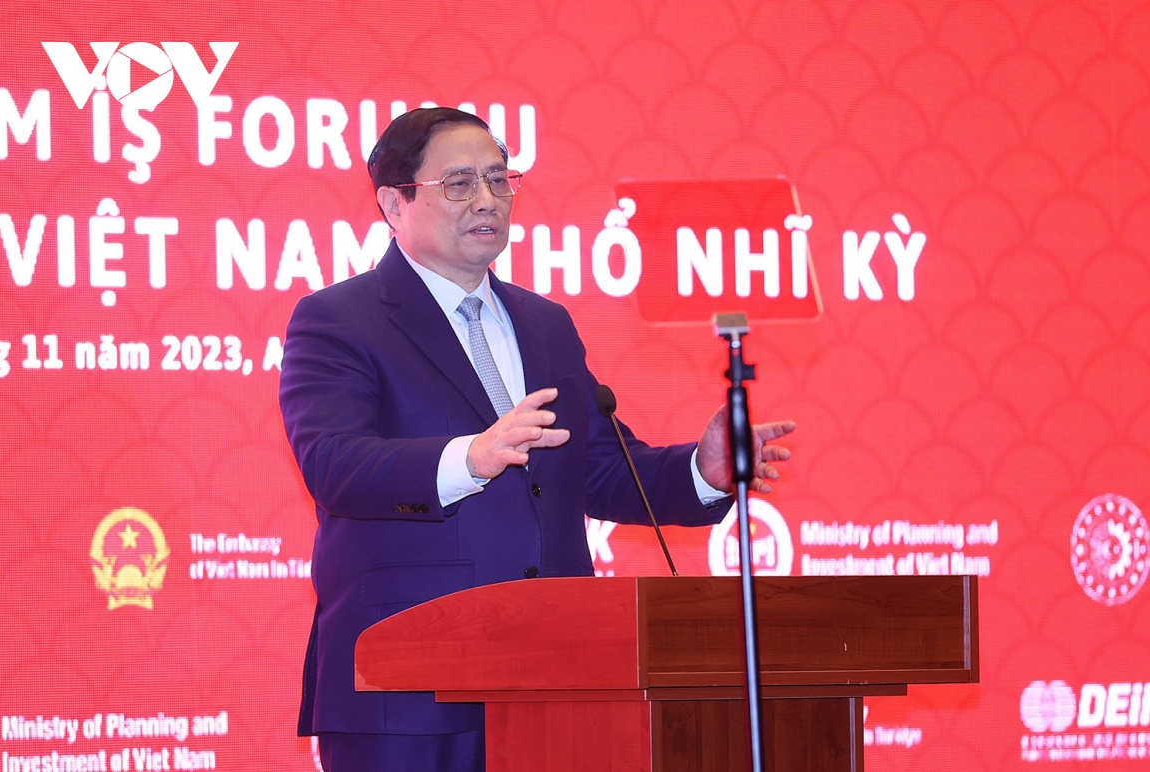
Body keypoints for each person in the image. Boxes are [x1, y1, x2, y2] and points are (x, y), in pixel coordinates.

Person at [278, 107, 795, 772]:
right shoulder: (338, 319)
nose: (487, 200)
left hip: (555, 675)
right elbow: (334, 464)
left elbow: (600, 468)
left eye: (499, 179)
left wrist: (702, 470)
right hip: (405, 687)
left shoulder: (545, 323)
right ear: (394, 203)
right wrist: (471, 457)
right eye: (459, 184)